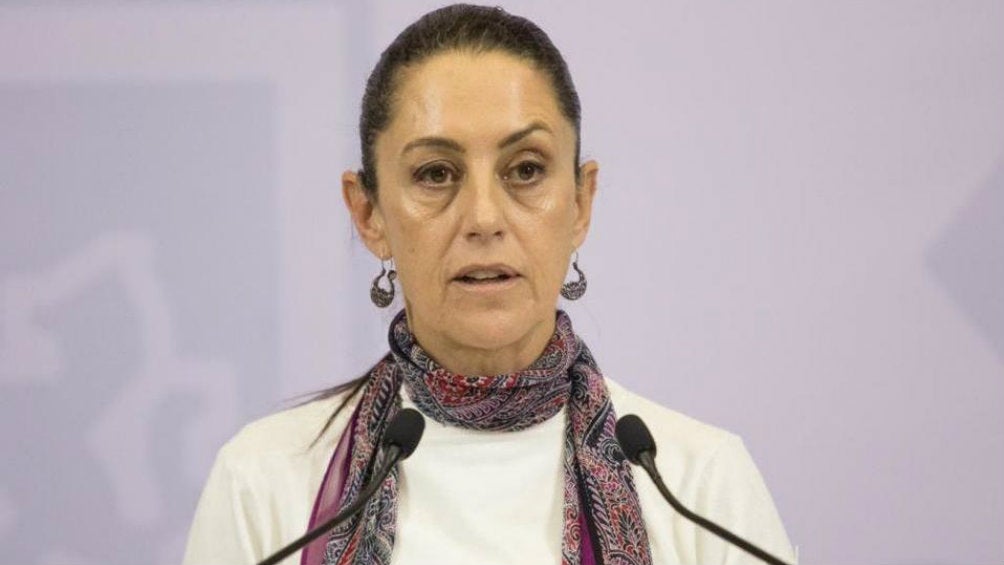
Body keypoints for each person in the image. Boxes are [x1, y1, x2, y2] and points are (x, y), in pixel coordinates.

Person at [183, 4, 795, 565]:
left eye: (525, 169)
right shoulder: (264, 483)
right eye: (435, 173)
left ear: (581, 203)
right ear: (368, 214)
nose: (483, 217)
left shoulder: (698, 484)